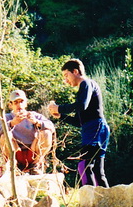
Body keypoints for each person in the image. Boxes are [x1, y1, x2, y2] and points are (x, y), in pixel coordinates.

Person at [47, 58, 110, 188]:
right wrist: (60, 115)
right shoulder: (85, 88)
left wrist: (58, 107)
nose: (66, 80)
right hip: (96, 129)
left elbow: (82, 106)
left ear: (75, 71)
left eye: (66, 75)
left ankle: (91, 202)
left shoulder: (86, 83)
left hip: (96, 129)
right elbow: (79, 121)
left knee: (84, 166)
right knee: (97, 171)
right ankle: (107, 203)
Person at [0, 89, 55, 176]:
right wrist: (12, 123)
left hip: (33, 151)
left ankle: (35, 166)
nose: (19, 105)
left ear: (26, 103)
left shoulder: (34, 115)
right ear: (10, 105)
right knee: (4, 136)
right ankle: (13, 166)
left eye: (22, 102)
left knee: (46, 133)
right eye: (16, 102)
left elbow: (52, 127)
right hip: (15, 152)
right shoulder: (7, 117)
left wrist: (37, 122)